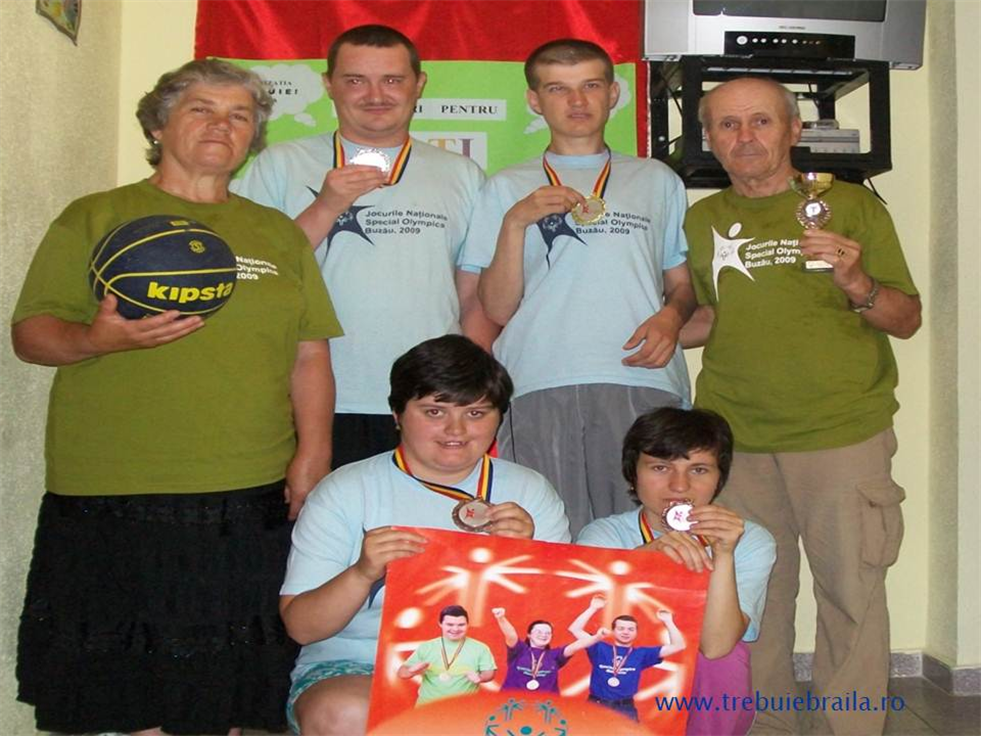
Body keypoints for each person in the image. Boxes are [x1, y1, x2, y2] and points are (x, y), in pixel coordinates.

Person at [11, 60, 341, 736]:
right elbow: (31, 335)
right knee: (131, 697)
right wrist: (98, 339)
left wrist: (314, 455)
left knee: (228, 694)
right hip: (115, 483)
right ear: (158, 125)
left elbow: (309, 353)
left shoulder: (277, 233)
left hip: (246, 486)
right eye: (201, 109)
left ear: (254, 137)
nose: (222, 125)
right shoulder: (96, 216)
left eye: (239, 115)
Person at [682, 76, 921, 736]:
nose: (744, 137)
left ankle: (850, 728)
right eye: (727, 125)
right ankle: (768, 726)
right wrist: (644, 332)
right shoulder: (700, 220)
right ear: (709, 139)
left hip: (840, 435)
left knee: (851, 595)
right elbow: (712, 315)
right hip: (735, 438)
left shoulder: (850, 205)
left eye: (760, 121)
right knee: (755, 595)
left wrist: (855, 281)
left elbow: (905, 319)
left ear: (793, 129)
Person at [279, 334, 571, 736]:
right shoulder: (346, 489)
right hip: (362, 663)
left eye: (476, 413)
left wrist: (528, 558)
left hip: (492, 667)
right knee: (342, 713)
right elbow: (301, 627)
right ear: (397, 414)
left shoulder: (530, 492)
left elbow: (557, 625)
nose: (456, 429)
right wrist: (362, 573)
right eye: (434, 411)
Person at [233, 24, 496, 469]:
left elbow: (473, 297)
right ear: (328, 85)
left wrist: (467, 390)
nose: (375, 95)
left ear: (419, 84)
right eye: (356, 80)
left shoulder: (461, 173)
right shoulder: (281, 163)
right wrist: (325, 206)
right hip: (307, 395)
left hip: (429, 400)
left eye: (392, 79)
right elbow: (255, 275)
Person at [460, 39, 695, 535]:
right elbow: (497, 308)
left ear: (614, 93)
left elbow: (681, 285)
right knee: (550, 537)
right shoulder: (505, 186)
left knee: (647, 538)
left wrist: (672, 317)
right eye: (558, 89)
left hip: (641, 376)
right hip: (540, 380)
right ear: (534, 100)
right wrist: (515, 222)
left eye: (590, 85)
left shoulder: (657, 179)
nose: (577, 101)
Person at [577, 407, 776, 735]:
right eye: (660, 467)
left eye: (698, 469)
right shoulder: (604, 536)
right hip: (620, 676)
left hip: (700, 684)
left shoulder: (747, 538)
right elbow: (585, 629)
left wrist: (723, 555)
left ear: (719, 477)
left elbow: (716, 646)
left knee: (725, 659)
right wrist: (643, 563)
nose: (679, 485)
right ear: (633, 473)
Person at [568, 596, 686, 722]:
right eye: (621, 629)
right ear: (613, 631)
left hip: (625, 709)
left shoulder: (642, 654)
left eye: (630, 629)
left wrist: (668, 621)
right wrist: (593, 608)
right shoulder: (598, 647)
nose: (626, 632)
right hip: (596, 706)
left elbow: (678, 646)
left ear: (636, 632)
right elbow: (575, 629)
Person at [490, 606, 607, 693]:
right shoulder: (519, 650)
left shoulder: (555, 655)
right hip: (512, 705)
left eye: (548, 633)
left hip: (545, 708)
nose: (543, 635)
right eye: (539, 632)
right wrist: (501, 618)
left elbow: (577, 645)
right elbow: (511, 634)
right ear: (529, 635)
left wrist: (597, 637)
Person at [396, 605, 496, 706]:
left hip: (463, 708)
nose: (455, 629)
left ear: (467, 624)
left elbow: (489, 673)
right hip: (427, 708)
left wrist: (480, 678)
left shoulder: (480, 648)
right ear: (440, 624)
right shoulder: (426, 647)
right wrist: (411, 671)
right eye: (450, 624)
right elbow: (402, 673)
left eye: (461, 625)